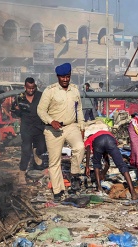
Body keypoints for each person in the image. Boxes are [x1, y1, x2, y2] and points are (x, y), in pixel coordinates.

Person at [37, 63, 85, 202]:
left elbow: (79, 109)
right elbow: (41, 110)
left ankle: (75, 175)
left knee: (80, 147)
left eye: (68, 76)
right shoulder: (50, 91)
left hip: (71, 126)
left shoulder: (75, 90)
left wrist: (81, 127)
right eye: (63, 77)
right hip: (53, 129)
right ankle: (58, 191)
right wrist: (51, 121)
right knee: (54, 162)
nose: (65, 79)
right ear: (58, 77)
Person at [84, 130, 138, 200]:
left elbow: (88, 151)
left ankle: (99, 189)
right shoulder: (102, 132)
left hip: (99, 141)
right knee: (121, 164)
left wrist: (87, 166)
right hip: (110, 139)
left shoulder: (89, 139)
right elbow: (107, 164)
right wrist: (103, 174)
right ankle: (133, 192)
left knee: (96, 164)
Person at [13, 77, 47, 185]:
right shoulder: (20, 98)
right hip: (26, 128)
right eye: (29, 88)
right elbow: (15, 112)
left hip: (39, 127)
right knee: (26, 150)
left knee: (42, 147)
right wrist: (17, 111)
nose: (31, 90)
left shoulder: (41, 96)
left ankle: (37, 153)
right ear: (25, 87)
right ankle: (22, 173)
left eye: (33, 88)